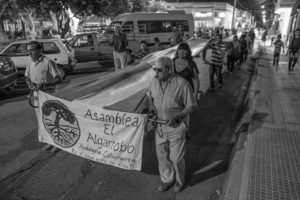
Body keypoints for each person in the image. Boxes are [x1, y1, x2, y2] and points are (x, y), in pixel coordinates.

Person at [147, 56, 197, 193]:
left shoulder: (182, 84)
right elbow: (149, 95)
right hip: (160, 127)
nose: (155, 73)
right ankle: (167, 180)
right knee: (162, 156)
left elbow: (191, 106)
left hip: (177, 127)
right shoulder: (154, 81)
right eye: (154, 70)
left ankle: (180, 181)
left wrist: (178, 116)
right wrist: (151, 107)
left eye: (159, 70)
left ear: (169, 70)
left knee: (176, 158)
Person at [24, 41, 62, 153]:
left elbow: (59, 79)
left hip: (49, 95)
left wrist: (45, 84)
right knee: (42, 120)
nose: (30, 53)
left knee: (52, 120)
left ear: (40, 50)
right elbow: (27, 77)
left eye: (33, 50)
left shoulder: (48, 62)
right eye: (29, 50)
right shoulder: (30, 63)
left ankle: (57, 143)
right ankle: (49, 142)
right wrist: (29, 84)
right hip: (37, 96)